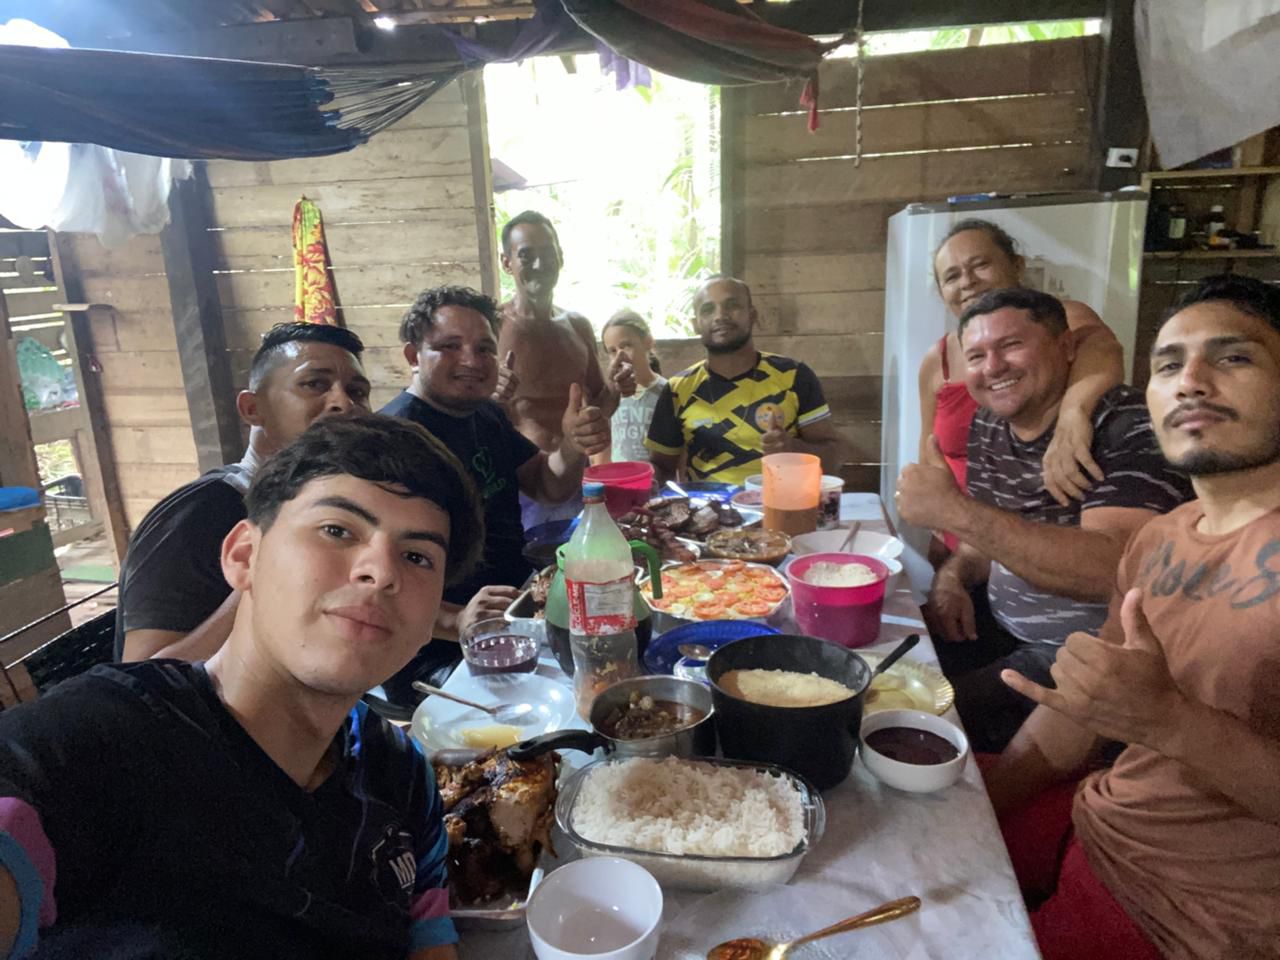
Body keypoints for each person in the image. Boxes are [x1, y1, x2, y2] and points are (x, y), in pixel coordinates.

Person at [0, 413, 483, 960]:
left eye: (417, 556)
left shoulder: (401, 777)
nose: (381, 571)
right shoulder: (100, 743)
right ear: (244, 556)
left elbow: (429, 946)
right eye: (338, 530)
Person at [984, 275, 1280, 960]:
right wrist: (983, 803)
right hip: (1099, 822)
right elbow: (1088, 705)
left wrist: (1172, 721)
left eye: (1234, 357)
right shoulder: (1161, 535)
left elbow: (1150, 715)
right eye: (1168, 365)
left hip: (1191, 916)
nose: (1191, 382)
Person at [895, 287, 1190, 751]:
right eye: (976, 356)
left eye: (1011, 345)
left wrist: (953, 510)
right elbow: (982, 542)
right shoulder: (989, 424)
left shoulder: (1129, 426)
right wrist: (952, 578)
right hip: (995, 625)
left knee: (913, 720)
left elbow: (1112, 571)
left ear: (1067, 346)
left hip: (1083, 652)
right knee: (887, 664)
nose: (993, 367)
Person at [380, 286, 608, 686]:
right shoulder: (390, 439)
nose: (471, 360)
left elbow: (547, 485)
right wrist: (456, 620)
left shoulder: (487, 415)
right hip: (433, 649)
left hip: (517, 612)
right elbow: (371, 574)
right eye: (450, 346)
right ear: (414, 356)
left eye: (484, 348)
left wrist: (572, 446)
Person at [115, 321, 371, 663]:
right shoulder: (202, 513)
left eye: (357, 391)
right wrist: (260, 581)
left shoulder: (334, 508)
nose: (343, 403)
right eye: (314, 384)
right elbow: (141, 675)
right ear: (252, 408)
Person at [920, 220, 1123, 556]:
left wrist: (1073, 414)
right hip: (959, 539)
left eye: (980, 265)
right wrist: (938, 516)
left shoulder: (1059, 320)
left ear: (1016, 265)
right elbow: (928, 451)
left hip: (1048, 542)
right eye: (952, 276)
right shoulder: (936, 358)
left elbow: (1105, 352)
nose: (967, 282)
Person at [494, 211, 636, 529]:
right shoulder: (493, 327)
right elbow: (478, 416)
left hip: (574, 479)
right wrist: (492, 398)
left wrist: (615, 388)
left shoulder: (577, 325)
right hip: (522, 485)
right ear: (507, 262)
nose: (539, 264)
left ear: (560, 257)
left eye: (547, 253)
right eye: (526, 255)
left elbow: (598, 409)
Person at [645, 275, 847, 486]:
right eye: (708, 309)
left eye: (732, 305)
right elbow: (662, 467)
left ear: (752, 315)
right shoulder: (678, 389)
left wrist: (792, 449)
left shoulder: (794, 376)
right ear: (696, 325)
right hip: (709, 507)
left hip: (784, 503)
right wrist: (643, 478)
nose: (720, 316)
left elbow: (834, 459)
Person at [594, 309, 667, 465]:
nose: (620, 356)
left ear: (648, 342)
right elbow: (603, 447)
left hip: (653, 477)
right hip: (619, 477)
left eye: (626, 346)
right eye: (612, 351)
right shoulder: (611, 397)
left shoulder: (668, 391)